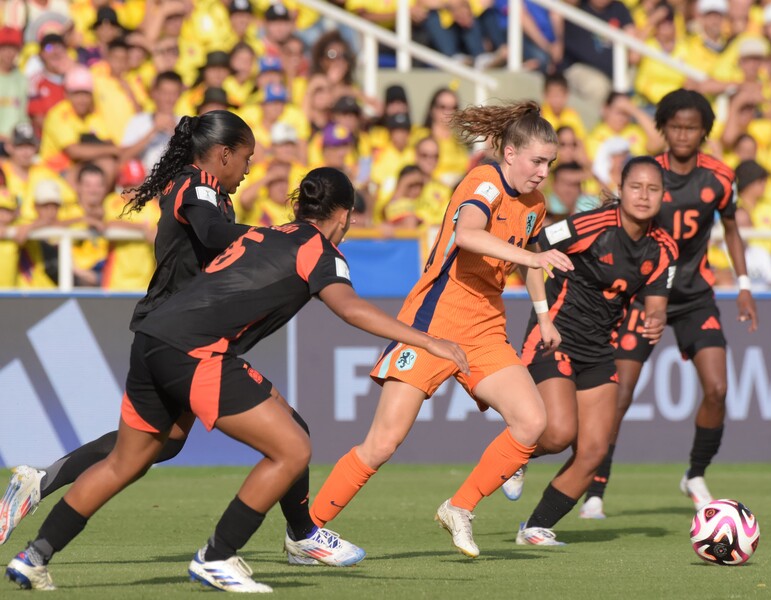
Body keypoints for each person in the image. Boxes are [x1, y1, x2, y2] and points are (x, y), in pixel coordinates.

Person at [4, 167, 470, 592]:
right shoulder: (319, 250)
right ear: (344, 214)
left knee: (126, 461)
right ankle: (218, 556)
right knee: (291, 448)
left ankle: (34, 557)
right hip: (196, 350)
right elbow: (349, 308)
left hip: (152, 338)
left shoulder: (266, 233)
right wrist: (429, 341)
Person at [0, 111, 362, 568]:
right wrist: (279, 238)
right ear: (224, 154)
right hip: (182, 336)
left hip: (178, 331)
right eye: (246, 157)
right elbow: (211, 234)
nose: (248, 168)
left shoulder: (208, 191)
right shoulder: (199, 186)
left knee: (158, 445)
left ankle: (41, 489)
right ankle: (299, 535)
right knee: (290, 436)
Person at [307, 100, 574, 558]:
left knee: (532, 422)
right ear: (509, 153)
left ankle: (459, 507)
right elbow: (469, 235)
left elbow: (529, 260)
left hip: (486, 326)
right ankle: (307, 530)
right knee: (383, 443)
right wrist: (534, 258)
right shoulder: (484, 181)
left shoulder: (535, 203)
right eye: (536, 161)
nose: (542, 172)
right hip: (434, 322)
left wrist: (544, 314)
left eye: (549, 163)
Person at [579, 89, 758, 518]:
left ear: (704, 132)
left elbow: (731, 229)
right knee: (619, 395)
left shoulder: (719, 177)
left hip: (695, 296)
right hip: (644, 296)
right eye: (675, 126)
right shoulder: (646, 174)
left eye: (691, 127)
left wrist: (745, 284)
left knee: (717, 388)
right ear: (662, 128)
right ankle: (595, 490)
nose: (682, 134)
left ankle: (695, 473)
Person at [505, 157, 677, 545]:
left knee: (595, 450)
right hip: (556, 336)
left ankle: (534, 527)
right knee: (558, 433)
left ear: (663, 195)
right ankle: (515, 453)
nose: (644, 195)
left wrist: (656, 320)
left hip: (600, 348)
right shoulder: (592, 224)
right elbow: (530, 248)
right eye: (636, 187)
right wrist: (540, 307)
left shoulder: (663, 247)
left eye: (653, 189)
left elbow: (656, 304)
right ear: (622, 188)